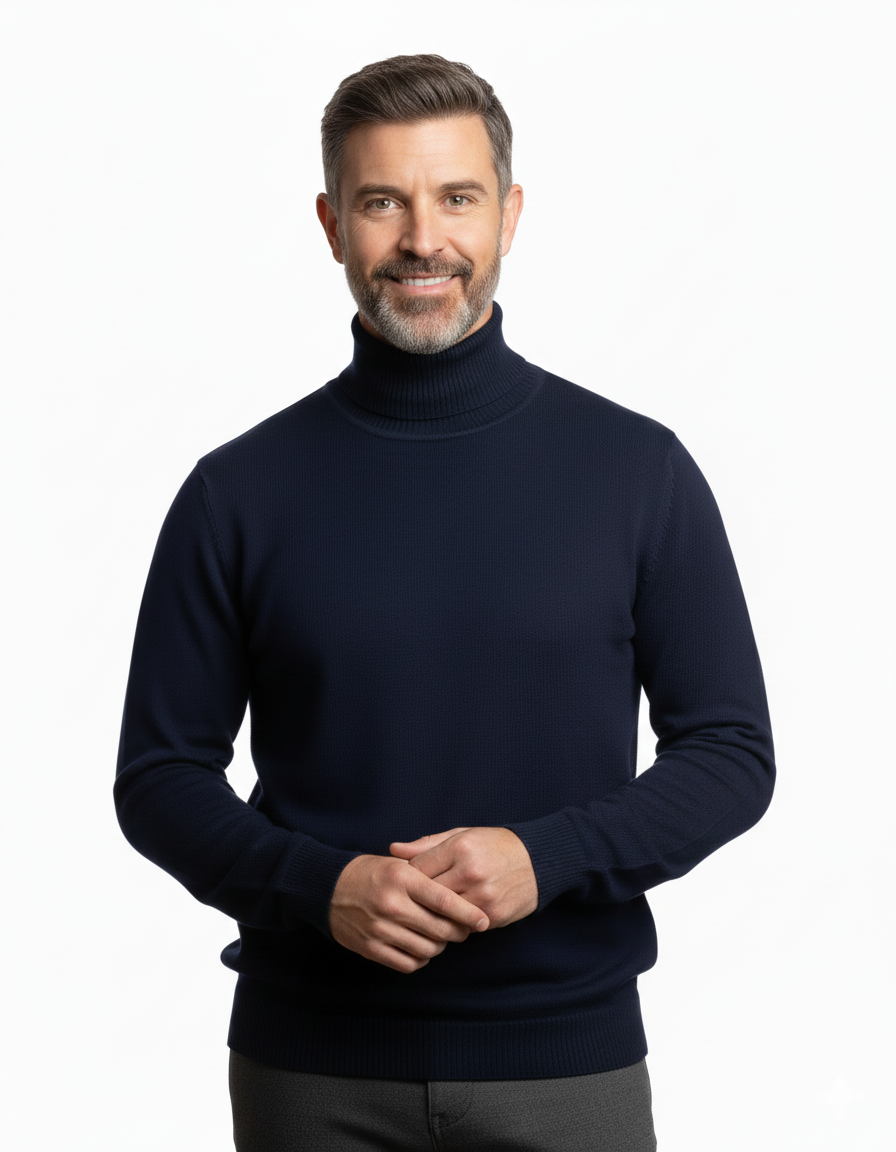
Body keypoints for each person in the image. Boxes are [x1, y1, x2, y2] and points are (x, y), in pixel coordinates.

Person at [114, 54, 775, 1151]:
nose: (423, 238)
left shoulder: (636, 471)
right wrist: (318, 884)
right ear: (332, 225)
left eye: (456, 197)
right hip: (308, 1072)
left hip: (567, 1064)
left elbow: (730, 753)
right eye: (383, 202)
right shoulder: (237, 492)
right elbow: (158, 778)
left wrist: (547, 856)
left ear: (508, 214)